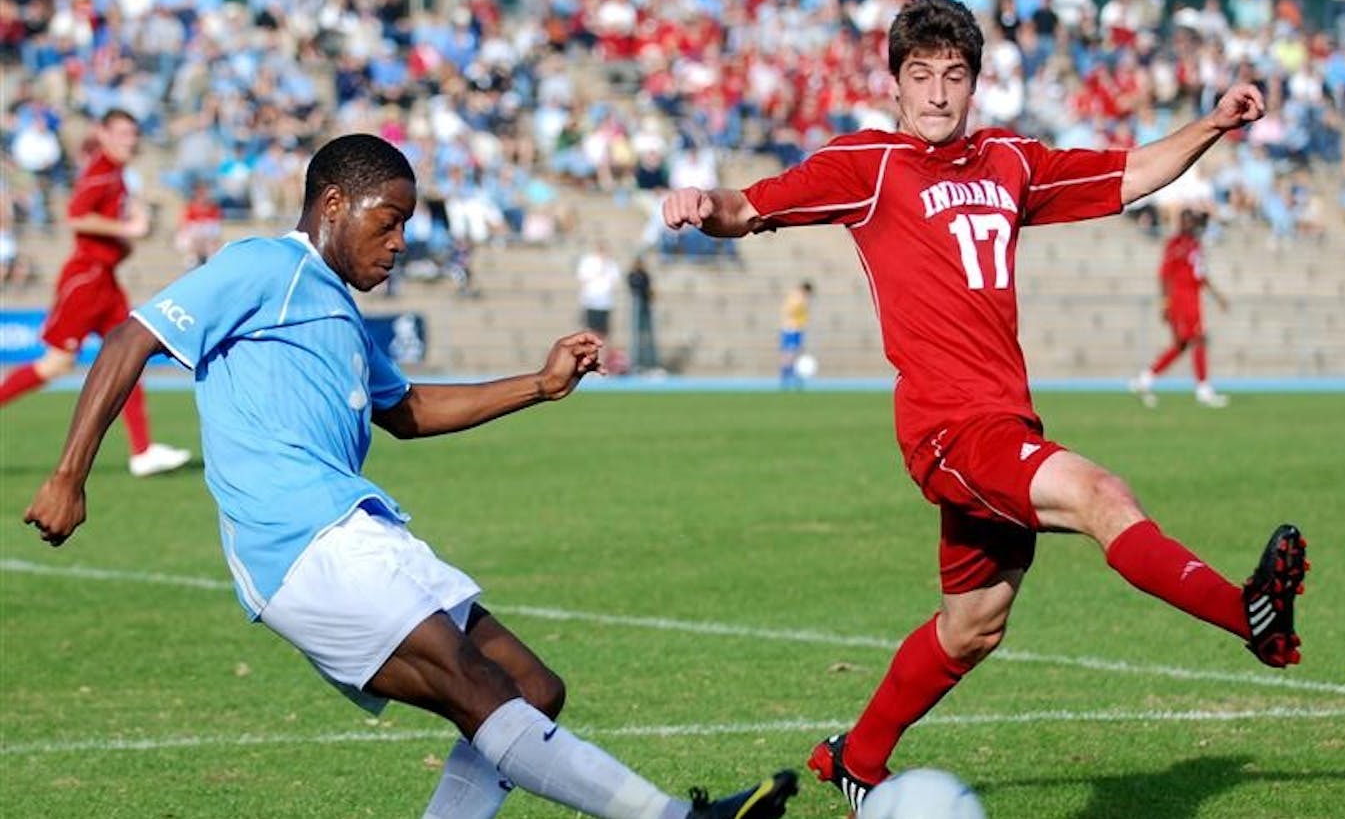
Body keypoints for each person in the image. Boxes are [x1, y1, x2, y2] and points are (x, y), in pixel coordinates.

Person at [23, 134, 798, 819]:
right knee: (481, 687)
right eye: (386, 220)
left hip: (355, 530)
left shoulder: (336, 308)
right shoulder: (265, 265)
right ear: (333, 204)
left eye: (406, 225)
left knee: (530, 687)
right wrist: (69, 475)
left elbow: (410, 408)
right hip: (304, 540)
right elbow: (131, 338)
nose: (398, 243)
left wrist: (540, 383)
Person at [661, 0, 1307, 814]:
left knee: (974, 625)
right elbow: (749, 206)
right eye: (920, 76)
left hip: (1006, 421)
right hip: (947, 428)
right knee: (1101, 495)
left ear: (974, 84)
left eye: (953, 76)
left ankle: (855, 760)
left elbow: (1131, 173)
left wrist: (1212, 124)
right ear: (895, 84)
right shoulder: (869, 166)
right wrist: (698, 202)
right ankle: (1248, 615)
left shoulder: (1011, 160)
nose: (936, 93)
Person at [0, 109, 191, 478]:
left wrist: (126, 238)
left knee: (128, 357)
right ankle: (143, 451)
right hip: (86, 281)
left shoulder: (116, 173)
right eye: (121, 133)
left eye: (133, 134)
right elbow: (76, 216)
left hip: (105, 279)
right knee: (56, 364)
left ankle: (143, 451)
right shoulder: (101, 171)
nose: (129, 140)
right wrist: (127, 229)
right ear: (102, 134)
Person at [1128, 209, 1230, 408]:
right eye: (1187, 221)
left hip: (1193, 298)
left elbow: (1200, 275)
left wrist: (1217, 297)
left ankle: (1145, 379)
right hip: (1180, 299)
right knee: (1198, 339)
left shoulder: (1195, 245)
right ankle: (1203, 389)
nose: (1190, 225)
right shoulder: (1175, 244)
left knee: (1181, 344)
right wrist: (1165, 302)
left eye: (1192, 221)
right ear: (1181, 222)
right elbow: (1164, 275)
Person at [778, 281, 814, 390]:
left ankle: (793, 378)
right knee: (790, 354)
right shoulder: (797, 298)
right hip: (791, 329)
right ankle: (787, 378)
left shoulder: (799, 298)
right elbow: (788, 312)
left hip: (796, 329)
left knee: (795, 353)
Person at [626, 256, 660, 373]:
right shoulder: (632, 276)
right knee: (636, 337)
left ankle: (651, 364)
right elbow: (634, 289)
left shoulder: (645, 275)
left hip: (646, 308)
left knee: (648, 337)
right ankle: (636, 364)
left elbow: (649, 290)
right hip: (637, 309)